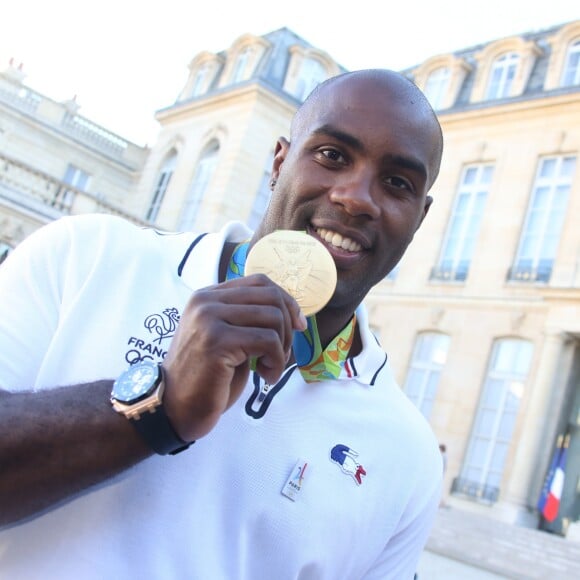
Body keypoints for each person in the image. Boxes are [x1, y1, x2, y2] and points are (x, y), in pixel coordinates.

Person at [0, 69, 444, 579]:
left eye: (397, 183)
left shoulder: (410, 455)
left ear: (419, 217)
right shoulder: (85, 256)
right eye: (332, 155)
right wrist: (157, 405)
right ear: (279, 162)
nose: (356, 197)